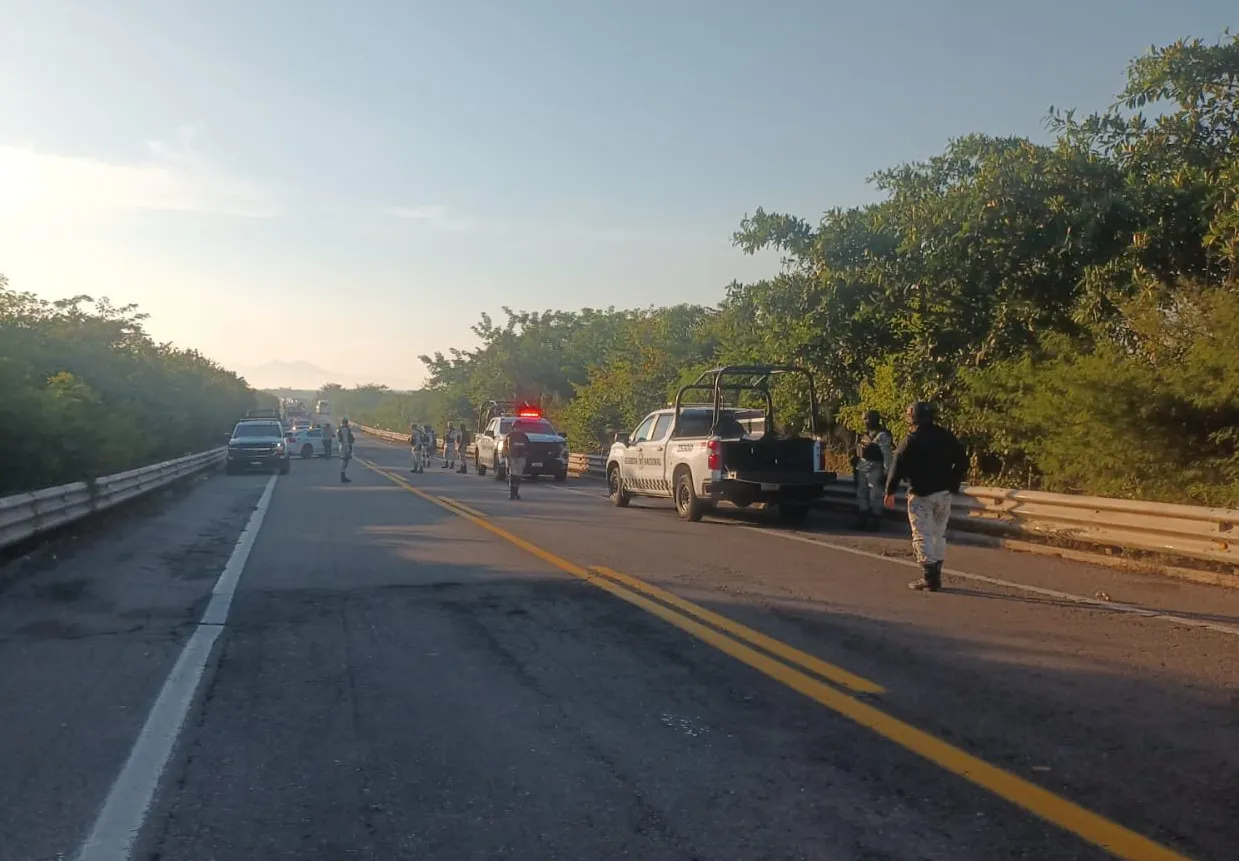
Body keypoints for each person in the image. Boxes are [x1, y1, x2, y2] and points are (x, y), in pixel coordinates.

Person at [884, 402, 967, 592]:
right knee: (938, 534)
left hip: (920, 495)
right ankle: (936, 574)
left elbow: (897, 465)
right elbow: (963, 462)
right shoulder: (946, 436)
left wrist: (890, 491)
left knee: (922, 535)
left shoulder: (911, 439)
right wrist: (952, 483)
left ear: (913, 417)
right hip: (943, 494)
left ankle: (929, 578)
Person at [853, 410, 893, 531]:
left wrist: (886, 472)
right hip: (862, 467)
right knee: (862, 494)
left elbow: (887, 455)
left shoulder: (882, 435)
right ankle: (863, 519)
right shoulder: (864, 434)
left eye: (867, 419)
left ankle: (875, 522)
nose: (864, 421)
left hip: (875, 467)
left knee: (875, 495)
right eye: (864, 419)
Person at [506, 425, 529, 500]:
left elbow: (528, 447)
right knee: (515, 475)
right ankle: (513, 493)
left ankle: (514, 493)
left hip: (517, 457)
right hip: (515, 457)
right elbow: (528, 447)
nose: (518, 429)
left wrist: (506, 455)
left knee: (515, 475)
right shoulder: (522, 436)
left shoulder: (511, 435)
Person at [337, 417, 356, 484]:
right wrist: (348, 449)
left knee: (344, 462)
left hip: (342, 446)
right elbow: (345, 439)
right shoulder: (345, 429)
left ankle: (343, 476)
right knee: (344, 462)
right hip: (345, 446)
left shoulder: (341, 428)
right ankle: (343, 477)